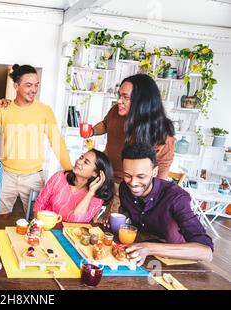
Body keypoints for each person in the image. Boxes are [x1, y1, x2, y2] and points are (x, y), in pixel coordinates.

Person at [0, 64, 72, 218]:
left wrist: (69, 170)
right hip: (6, 175)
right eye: (28, 85)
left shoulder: (44, 110)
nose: (34, 90)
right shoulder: (3, 109)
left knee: (37, 220)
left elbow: (56, 141)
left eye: (36, 85)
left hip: (34, 177)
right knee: (1, 217)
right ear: (16, 86)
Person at [91, 74, 175, 215]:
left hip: (130, 189)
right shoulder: (115, 112)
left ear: (142, 102)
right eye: (119, 95)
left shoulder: (161, 131)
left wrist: (152, 202)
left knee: (112, 228)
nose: (119, 101)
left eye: (126, 97)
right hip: (106, 178)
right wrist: (92, 131)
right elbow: (105, 124)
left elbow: (162, 169)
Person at [119, 143, 213, 265]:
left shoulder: (176, 197)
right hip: (140, 256)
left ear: (154, 172)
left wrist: (149, 248)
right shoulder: (124, 188)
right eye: (127, 175)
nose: (133, 183)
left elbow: (206, 252)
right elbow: (126, 211)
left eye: (141, 176)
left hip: (177, 263)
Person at [33, 149, 114, 223]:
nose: (79, 161)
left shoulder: (97, 197)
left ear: (95, 173)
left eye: (86, 162)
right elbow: (40, 203)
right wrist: (38, 225)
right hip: (43, 226)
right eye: (81, 157)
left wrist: (91, 192)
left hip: (68, 235)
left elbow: (75, 221)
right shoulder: (59, 177)